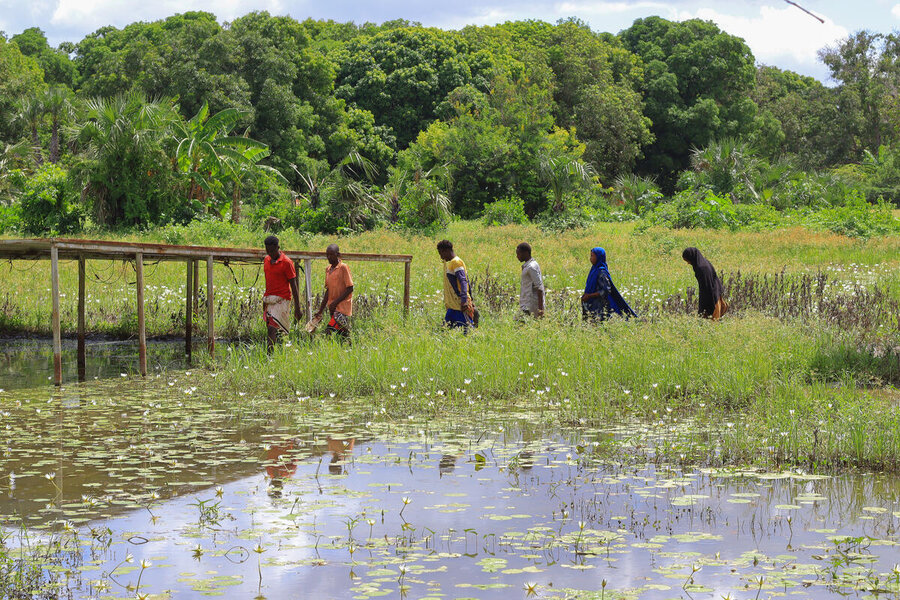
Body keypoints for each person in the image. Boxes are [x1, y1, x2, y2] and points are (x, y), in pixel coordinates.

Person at [262, 235, 302, 353]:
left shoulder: (286, 262)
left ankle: (269, 357)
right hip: (269, 300)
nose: (270, 253)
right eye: (267, 250)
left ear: (278, 247)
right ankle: (281, 353)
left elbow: (294, 286)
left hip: (281, 300)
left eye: (272, 250)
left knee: (271, 329)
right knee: (274, 329)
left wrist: (297, 308)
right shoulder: (266, 260)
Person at [581, 247, 636, 321]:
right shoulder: (594, 269)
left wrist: (589, 296)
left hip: (599, 306)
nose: (590, 258)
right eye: (590, 256)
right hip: (591, 304)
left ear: (599, 257)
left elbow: (606, 290)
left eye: (592, 256)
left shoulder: (602, 272)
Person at [315, 244, 354, 340]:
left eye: (331, 255)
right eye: (327, 255)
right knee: (342, 335)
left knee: (329, 331)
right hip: (333, 308)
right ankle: (350, 348)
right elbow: (328, 291)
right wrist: (320, 310)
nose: (329, 257)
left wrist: (335, 302)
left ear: (338, 255)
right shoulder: (328, 269)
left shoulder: (343, 267)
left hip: (343, 308)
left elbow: (350, 288)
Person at [437, 240, 475, 330]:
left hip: (460, 305)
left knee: (468, 331)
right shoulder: (450, 263)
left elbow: (463, 281)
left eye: (440, 253)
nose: (441, 257)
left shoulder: (456, 262)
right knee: (445, 331)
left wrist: (465, 300)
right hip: (452, 306)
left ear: (445, 251)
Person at [682, 247, 728, 320]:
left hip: (712, 295)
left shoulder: (701, 268)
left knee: (713, 319)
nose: (688, 263)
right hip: (715, 291)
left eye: (688, 260)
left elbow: (707, 286)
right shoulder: (703, 263)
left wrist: (707, 303)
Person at [517, 242, 545, 318]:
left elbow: (539, 288)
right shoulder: (530, 265)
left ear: (526, 253)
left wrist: (541, 310)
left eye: (519, 254)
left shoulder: (531, 267)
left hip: (530, 305)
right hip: (526, 304)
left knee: (518, 325)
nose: (517, 256)